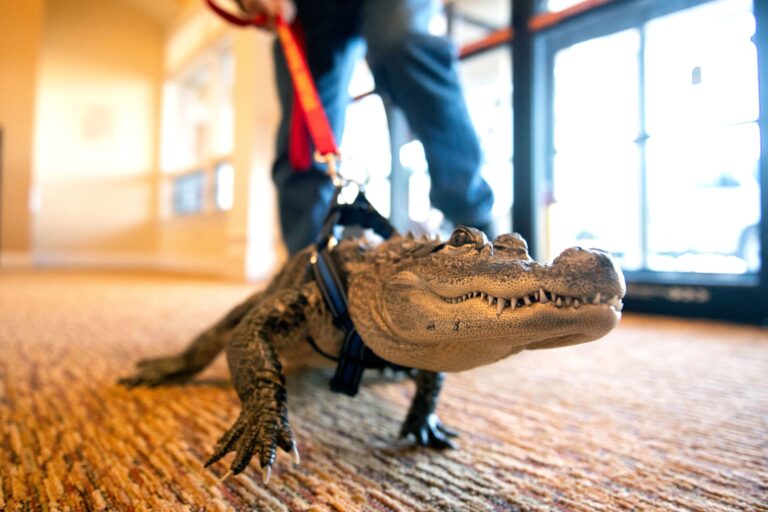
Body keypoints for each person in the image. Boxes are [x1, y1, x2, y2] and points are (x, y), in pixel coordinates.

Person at [240, 0, 495, 254]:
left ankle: (479, 233)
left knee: (402, 39)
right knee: (302, 135)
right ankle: (308, 266)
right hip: (308, 9)